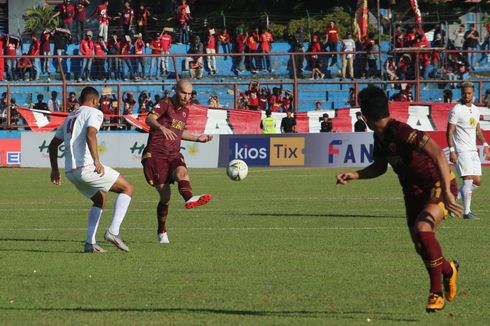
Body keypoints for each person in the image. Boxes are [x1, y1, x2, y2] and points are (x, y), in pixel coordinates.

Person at [336, 86, 462, 312]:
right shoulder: (379, 136)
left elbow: (437, 154)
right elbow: (380, 167)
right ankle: (448, 270)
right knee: (421, 245)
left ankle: (436, 293)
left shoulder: (401, 131)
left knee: (424, 229)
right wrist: (355, 174)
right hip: (412, 192)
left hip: (437, 185)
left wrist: (447, 190)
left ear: (364, 117)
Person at [48, 86, 134, 253]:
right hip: (86, 167)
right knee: (128, 188)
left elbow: (52, 146)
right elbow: (91, 134)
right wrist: (97, 161)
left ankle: (90, 243)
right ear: (94, 101)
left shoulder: (70, 117)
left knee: (100, 200)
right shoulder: (94, 112)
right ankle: (113, 232)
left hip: (70, 172)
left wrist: (54, 170)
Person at [142, 79, 213, 244]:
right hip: (156, 155)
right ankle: (161, 230)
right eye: (183, 93)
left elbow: (179, 133)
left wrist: (197, 138)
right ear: (176, 90)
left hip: (173, 154)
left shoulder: (185, 111)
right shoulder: (165, 103)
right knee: (165, 197)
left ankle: (189, 198)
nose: (186, 97)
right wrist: (161, 127)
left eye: (189, 94)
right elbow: (149, 119)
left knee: (182, 172)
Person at [446, 82, 490, 220]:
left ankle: (448, 202)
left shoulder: (476, 110)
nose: (467, 95)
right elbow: (449, 131)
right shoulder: (456, 110)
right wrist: (452, 150)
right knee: (468, 180)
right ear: (461, 93)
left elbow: (477, 130)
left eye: (469, 93)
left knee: (477, 182)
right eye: (464, 93)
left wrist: (485, 144)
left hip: (473, 150)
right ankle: (467, 212)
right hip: (461, 150)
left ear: (473, 94)